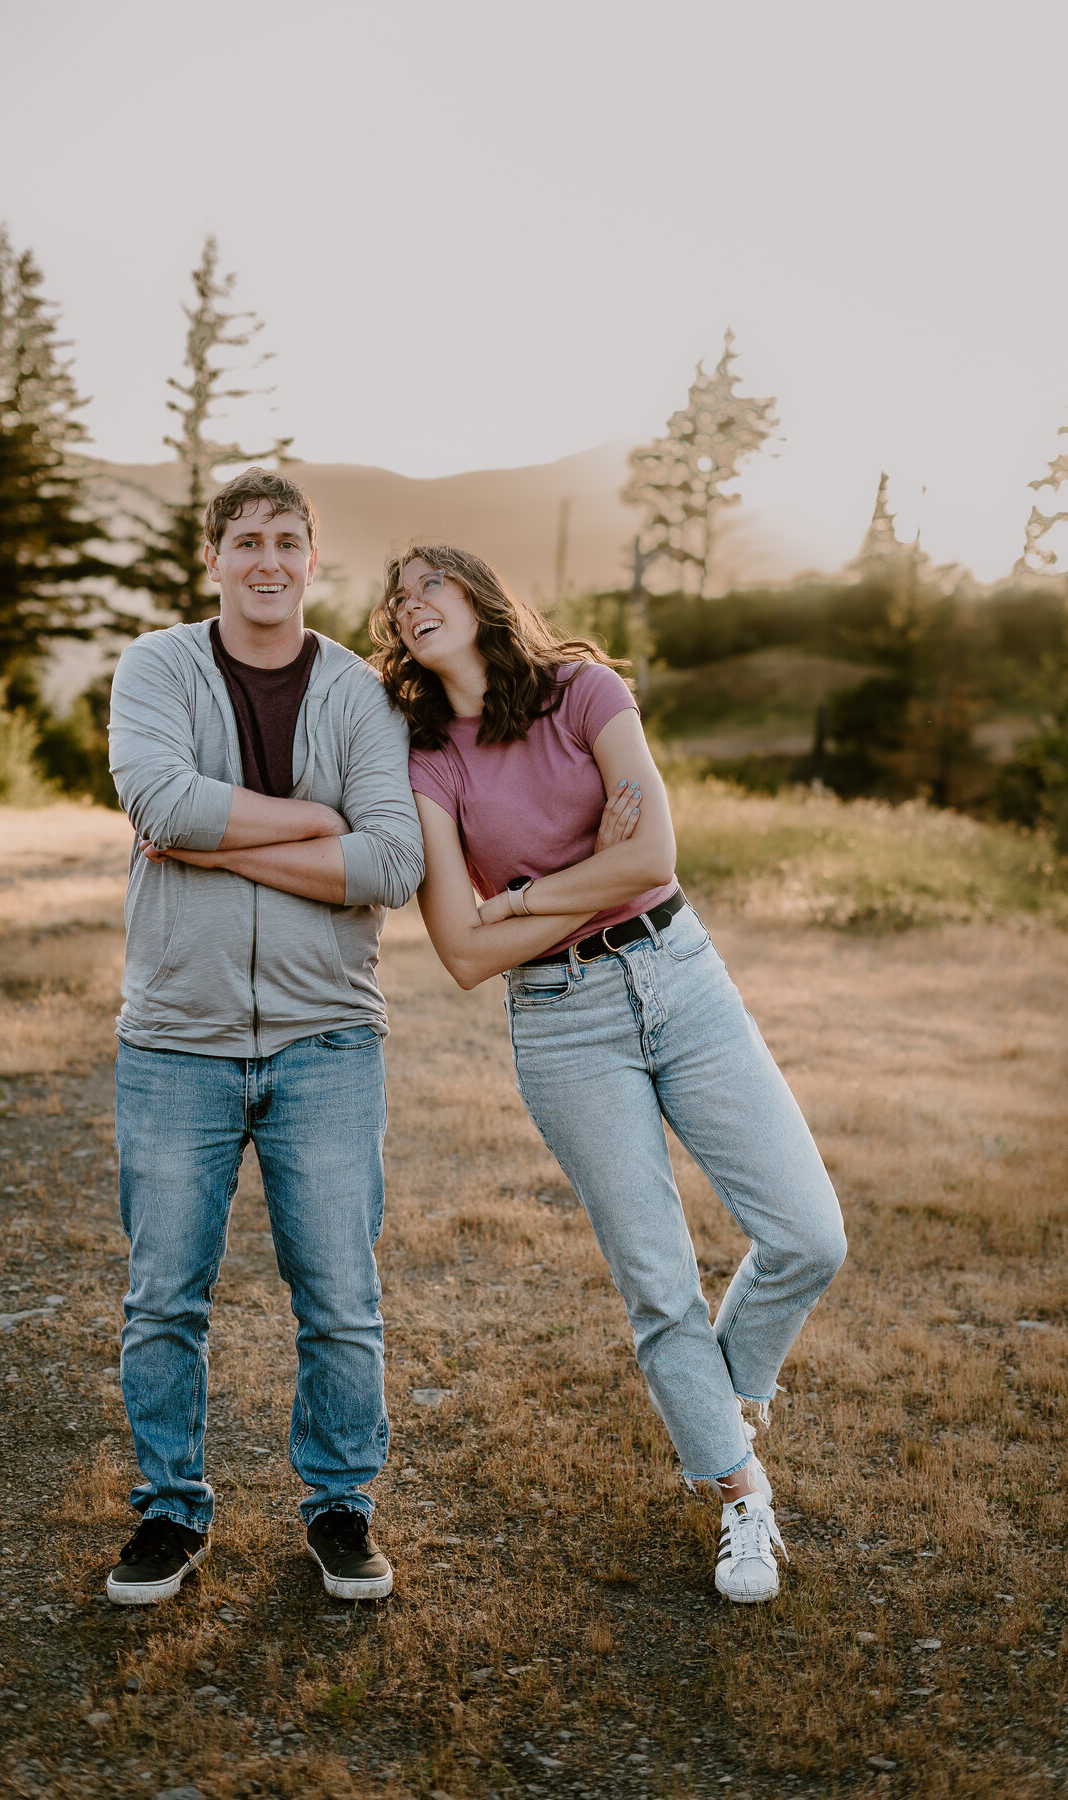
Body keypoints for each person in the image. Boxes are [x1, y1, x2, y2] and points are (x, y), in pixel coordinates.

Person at [372, 544, 846, 1604]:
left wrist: (517, 897)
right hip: (560, 1019)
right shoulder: (427, 761)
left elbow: (653, 859)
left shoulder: (587, 688)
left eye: (428, 585)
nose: (410, 607)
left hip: (680, 974)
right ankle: (741, 1500)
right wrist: (553, 895)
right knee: (657, 1279)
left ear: (483, 596)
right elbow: (459, 952)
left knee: (810, 1234)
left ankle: (727, 1398)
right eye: (395, 600)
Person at [104, 468, 423, 1607]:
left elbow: (390, 863)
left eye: (288, 539)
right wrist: (311, 824)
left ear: (312, 558)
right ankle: (169, 1513)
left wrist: (217, 837)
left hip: (327, 1037)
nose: (269, 560)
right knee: (164, 1300)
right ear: (214, 560)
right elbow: (158, 802)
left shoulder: (360, 695)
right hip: (176, 1039)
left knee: (338, 1295)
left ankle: (341, 1509)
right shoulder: (156, 667)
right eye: (247, 540)